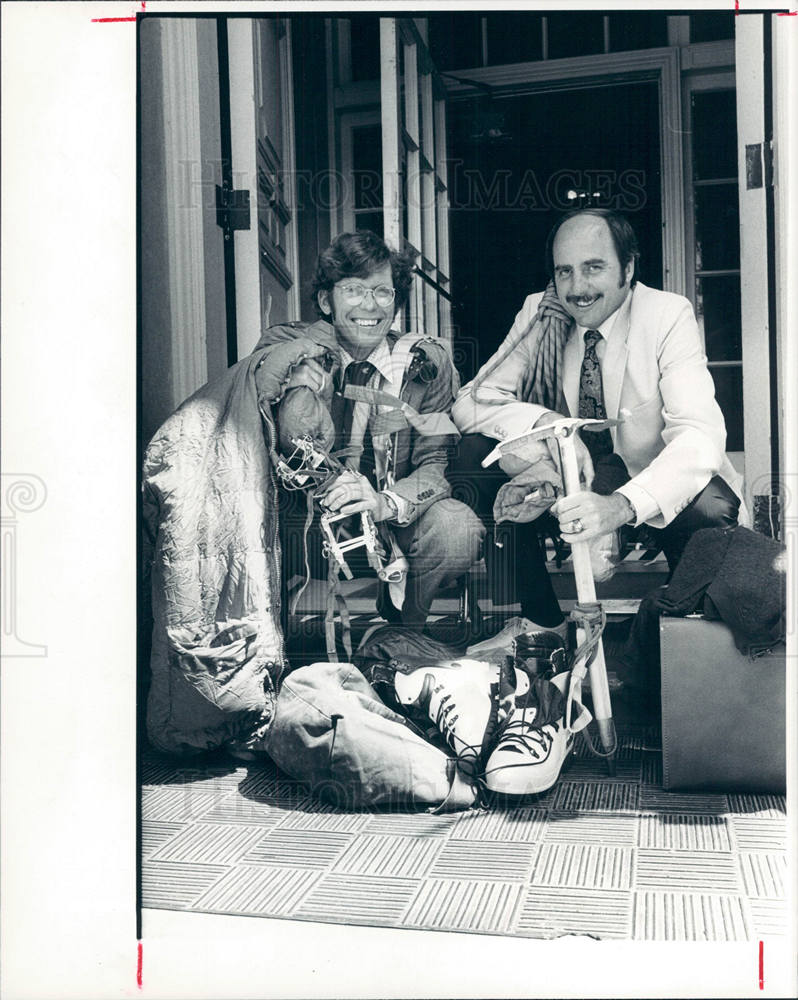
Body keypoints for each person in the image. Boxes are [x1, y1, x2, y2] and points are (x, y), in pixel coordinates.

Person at [451, 208, 743, 639]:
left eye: (594, 268)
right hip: (571, 477)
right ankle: (540, 620)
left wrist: (621, 506)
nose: (577, 288)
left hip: (646, 483)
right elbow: (472, 402)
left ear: (628, 267)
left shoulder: (666, 315)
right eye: (564, 271)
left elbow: (700, 436)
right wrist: (547, 424)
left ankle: (682, 630)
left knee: (710, 505)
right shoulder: (542, 311)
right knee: (473, 456)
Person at [268, 230, 484, 633]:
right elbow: (275, 433)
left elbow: (436, 464)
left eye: (383, 292)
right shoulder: (288, 350)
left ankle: (408, 629)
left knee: (459, 528)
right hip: (310, 517)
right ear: (324, 301)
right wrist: (296, 373)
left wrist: (386, 502)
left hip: (393, 513)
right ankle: (274, 644)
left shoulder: (427, 361)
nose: (370, 305)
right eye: (352, 290)